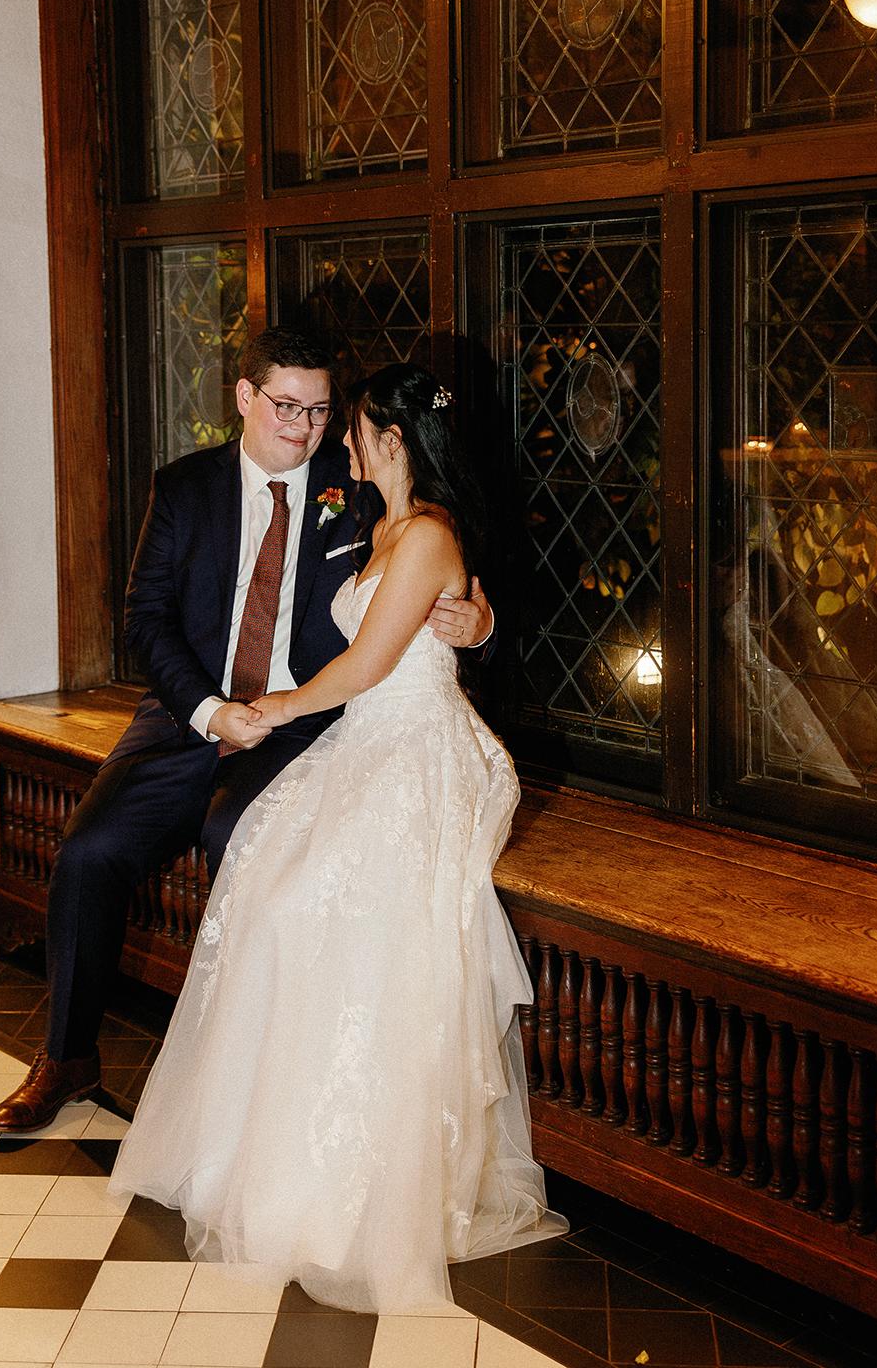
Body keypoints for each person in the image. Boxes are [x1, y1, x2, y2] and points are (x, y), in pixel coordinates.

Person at [108, 363, 564, 1313]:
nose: (340, 442)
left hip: (420, 750)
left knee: (325, 906)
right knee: (267, 889)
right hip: (367, 737)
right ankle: (270, 1154)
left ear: (393, 440)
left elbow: (368, 662)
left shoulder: (429, 533)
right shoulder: (379, 524)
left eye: (354, 429)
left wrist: (276, 708)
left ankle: (356, 1188)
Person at [0, 330, 491, 1134]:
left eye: (322, 410)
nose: (304, 426)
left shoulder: (357, 480)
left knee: (241, 835)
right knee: (88, 850)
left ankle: (246, 1078)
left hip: (305, 725)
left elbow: (445, 552)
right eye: (287, 405)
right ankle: (67, 1056)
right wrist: (208, 711)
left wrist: (479, 620)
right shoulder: (185, 488)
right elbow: (143, 620)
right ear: (245, 398)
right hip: (187, 716)